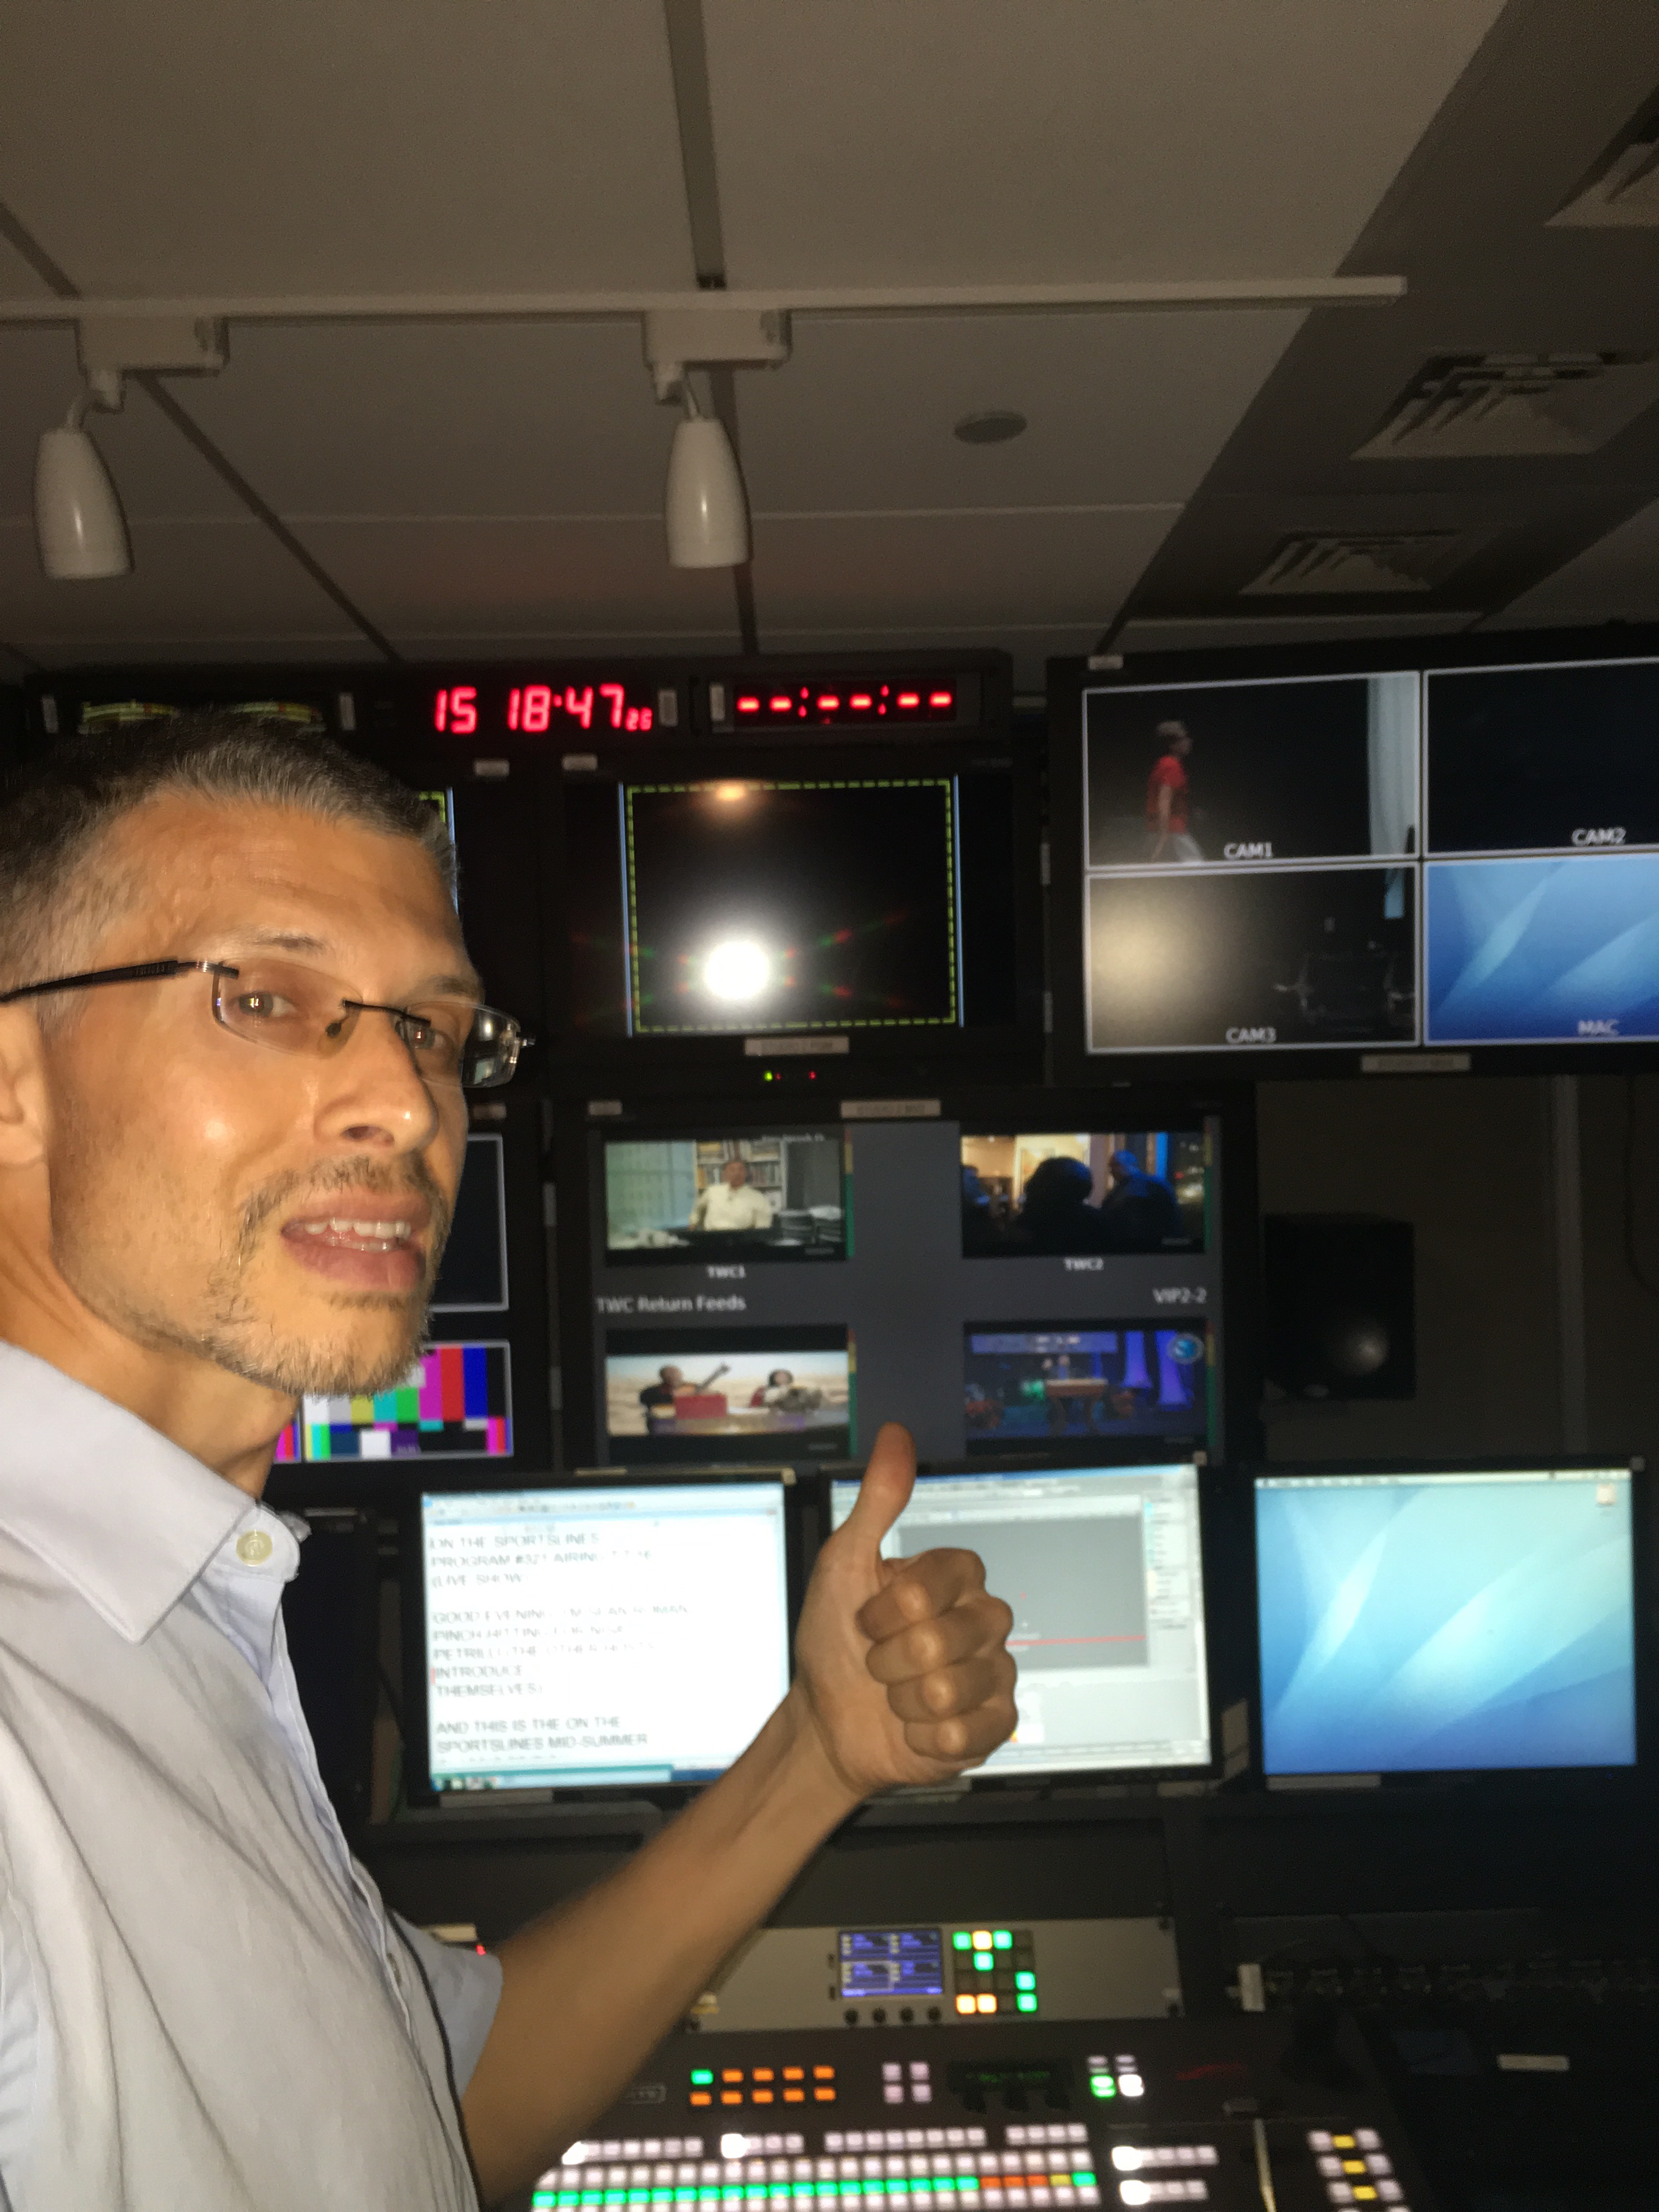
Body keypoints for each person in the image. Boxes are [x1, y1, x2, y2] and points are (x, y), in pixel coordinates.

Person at [0, 720, 1018, 2212]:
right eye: (267, 999)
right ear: (12, 1082)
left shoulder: (186, 1610)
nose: (413, 1106)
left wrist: (813, 1757)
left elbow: (445, 2113)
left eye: (435, 1029)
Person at [1097, 1147, 1186, 1252]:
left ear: (1131, 1165)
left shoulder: (1146, 1187)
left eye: (1116, 1165)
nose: (1112, 1170)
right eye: (1111, 1166)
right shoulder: (1149, 1185)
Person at [1146, 720, 1202, 863]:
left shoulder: (1163, 764)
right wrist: (1164, 835)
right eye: (1183, 739)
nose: (1188, 742)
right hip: (1172, 831)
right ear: (1172, 745)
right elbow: (1164, 802)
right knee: (1197, 868)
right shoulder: (1172, 766)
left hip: (1161, 830)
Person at [688, 1155, 775, 1233]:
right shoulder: (712, 1191)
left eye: (741, 1170)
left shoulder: (757, 1198)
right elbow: (697, 1209)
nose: (737, 1173)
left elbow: (763, 1227)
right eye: (732, 1170)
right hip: (711, 1237)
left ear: (746, 1173)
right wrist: (693, 1224)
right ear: (725, 1173)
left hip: (740, 1239)